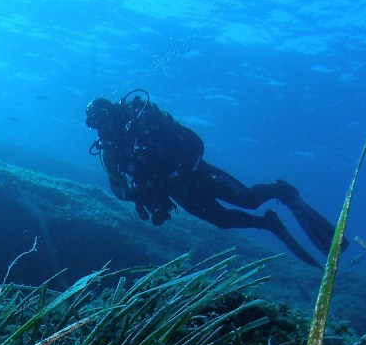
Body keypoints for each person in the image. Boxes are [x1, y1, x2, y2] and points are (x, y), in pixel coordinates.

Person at [86, 90, 346, 267]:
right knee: (222, 220)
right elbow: (117, 187)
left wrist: (152, 135)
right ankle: (269, 224)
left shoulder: (141, 119)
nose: (101, 126)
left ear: (113, 112)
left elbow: (177, 138)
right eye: (94, 123)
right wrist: (138, 196)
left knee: (247, 199)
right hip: (178, 191)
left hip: (197, 172)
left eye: (103, 118)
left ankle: (280, 190)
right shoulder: (110, 151)